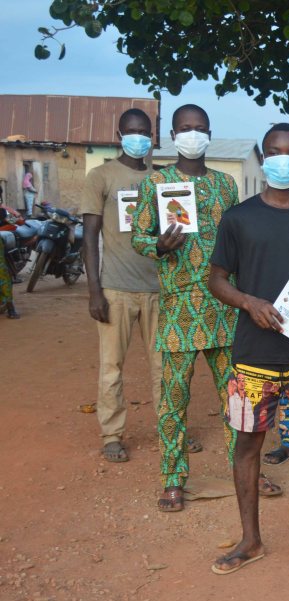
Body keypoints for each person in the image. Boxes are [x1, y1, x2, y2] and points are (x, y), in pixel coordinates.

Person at [132, 103, 281, 512]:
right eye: (184, 127)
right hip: (179, 310)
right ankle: (173, 479)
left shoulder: (225, 186)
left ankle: (248, 471)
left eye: (199, 128)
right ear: (173, 135)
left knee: (235, 397)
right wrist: (158, 246)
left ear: (209, 133)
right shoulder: (155, 184)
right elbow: (138, 237)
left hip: (222, 308)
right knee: (173, 400)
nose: (192, 134)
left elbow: (236, 244)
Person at [209, 123, 289, 575]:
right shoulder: (239, 217)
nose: (282, 159)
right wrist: (249, 302)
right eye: (273, 151)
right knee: (247, 446)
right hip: (254, 354)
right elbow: (217, 279)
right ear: (264, 157)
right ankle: (250, 539)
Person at [81, 108, 162, 463]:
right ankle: (112, 434)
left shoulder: (163, 180)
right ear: (119, 134)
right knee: (112, 366)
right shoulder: (101, 176)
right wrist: (94, 290)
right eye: (131, 130)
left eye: (144, 131)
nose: (138, 137)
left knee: (166, 366)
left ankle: (170, 427)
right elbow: (89, 238)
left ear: (152, 137)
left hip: (160, 289)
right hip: (115, 289)